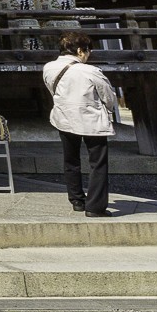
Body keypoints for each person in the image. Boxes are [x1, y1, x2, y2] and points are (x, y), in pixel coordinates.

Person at [43, 32, 117, 217]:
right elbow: (108, 96)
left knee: (71, 160)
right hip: (91, 118)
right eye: (88, 50)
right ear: (79, 51)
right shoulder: (90, 71)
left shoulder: (49, 68)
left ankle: (76, 200)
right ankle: (95, 206)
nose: (89, 54)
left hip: (64, 117)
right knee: (98, 163)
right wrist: (107, 109)